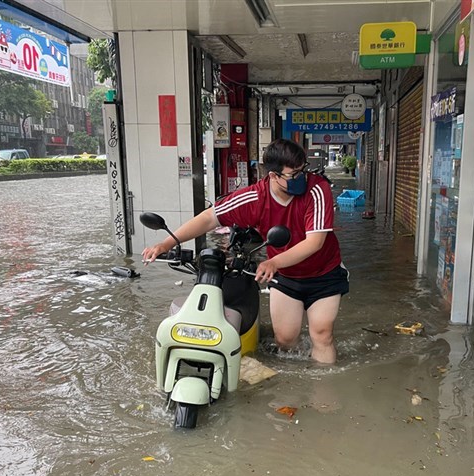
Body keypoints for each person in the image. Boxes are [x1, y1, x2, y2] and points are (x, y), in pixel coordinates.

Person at [142, 138, 348, 364]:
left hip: (323, 273)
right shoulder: (255, 198)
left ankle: (324, 395)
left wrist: (273, 263)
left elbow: (315, 242)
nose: (302, 178)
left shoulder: (317, 189)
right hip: (286, 277)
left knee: (322, 333)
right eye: (294, 175)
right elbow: (209, 218)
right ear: (273, 176)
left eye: (303, 171)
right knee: (285, 340)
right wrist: (166, 244)